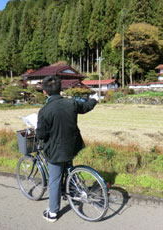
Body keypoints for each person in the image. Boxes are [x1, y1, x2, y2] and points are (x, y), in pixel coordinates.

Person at [36, 76, 97, 222]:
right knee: (68, 164)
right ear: (60, 89)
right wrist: (94, 99)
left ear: (45, 92)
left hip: (56, 151)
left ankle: (52, 213)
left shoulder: (45, 111)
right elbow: (86, 107)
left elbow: (41, 135)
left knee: (54, 179)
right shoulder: (71, 103)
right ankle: (72, 186)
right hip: (73, 145)